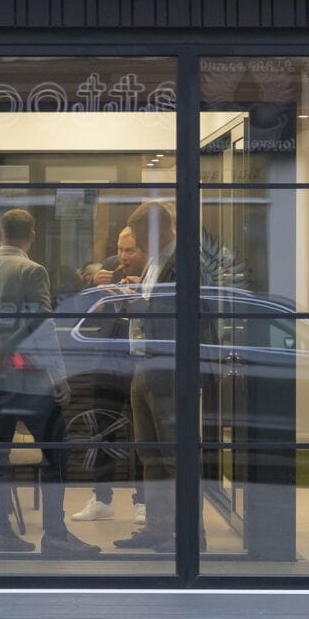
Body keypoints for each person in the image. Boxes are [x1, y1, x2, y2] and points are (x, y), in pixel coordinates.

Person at [0, 209, 100, 557]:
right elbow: (42, 327)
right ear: (32, 234)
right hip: (27, 380)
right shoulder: (32, 270)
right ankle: (55, 534)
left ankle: (3, 534)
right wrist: (59, 376)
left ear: (0, 233)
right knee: (57, 451)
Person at [71, 226, 151, 525]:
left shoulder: (154, 275)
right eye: (120, 249)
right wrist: (92, 288)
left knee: (144, 433)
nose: (123, 256)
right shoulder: (108, 268)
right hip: (108, 359)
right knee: (101, 428)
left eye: (129, 250)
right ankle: (101, 498)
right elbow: (82, 312)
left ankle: (143, 500)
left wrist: (140, 292)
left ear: (144, 251)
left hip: (140, 360)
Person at [114, 202, 180, 552]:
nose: (137, 247)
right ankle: (157, 529)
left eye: (140, 238)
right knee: (150, 453)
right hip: (145, 364)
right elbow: (156, 304)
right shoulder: (158, 262)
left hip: (168, 370)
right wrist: (137, 291)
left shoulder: (182, 262)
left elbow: (179, 314)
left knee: (173, 456)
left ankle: (186, 534)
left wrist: (139, 304)